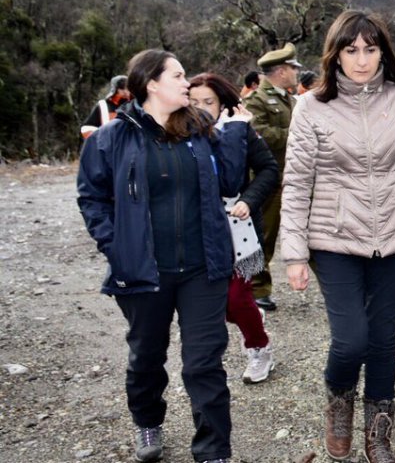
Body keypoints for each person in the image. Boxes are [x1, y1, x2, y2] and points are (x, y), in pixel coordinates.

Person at [279, 10, 395, 462]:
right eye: (351, 50)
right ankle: (338, 404)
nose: (361, 59)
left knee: (381, 338)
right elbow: (296, 183)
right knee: (350, 339)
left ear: (382, 52)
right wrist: (294, 254)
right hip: (334, 239)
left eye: (370, 49)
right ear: (336, 53)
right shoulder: (311, 106)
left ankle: (379, 433)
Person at [76, 49, 250, 463]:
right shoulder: (111, 137)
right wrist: (114, 246)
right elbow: (92, 198)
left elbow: (230, 181)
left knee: (203, 363)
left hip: (202, 268)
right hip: (143, 271)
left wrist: (237, 133)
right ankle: (148, 421)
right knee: (147, 356)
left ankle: (213, 451)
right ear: (151, 83)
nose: (186, 82)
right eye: (178, 75)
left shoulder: (203, 128)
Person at [188, 73, 279, 383]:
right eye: (194, 101)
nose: (200, 108)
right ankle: (252, 317)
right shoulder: (181, 133)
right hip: (197, 230)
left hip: (237, 226)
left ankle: (259, 347)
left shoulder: (239, 129)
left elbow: (269, 169)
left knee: (237, 297)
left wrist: (250, 200)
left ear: (223, 103)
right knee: (223, 305)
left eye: (208, 102)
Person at [243, 43, 301, 311]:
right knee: (262, 235)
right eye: (292, 68)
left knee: (304, 233)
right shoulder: (256, 100)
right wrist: (295, 137)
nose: (296, 72)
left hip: (291, 177)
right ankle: (255, 288)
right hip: (269, 180)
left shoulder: (287, 97)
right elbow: (257, 134)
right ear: (280, 71)